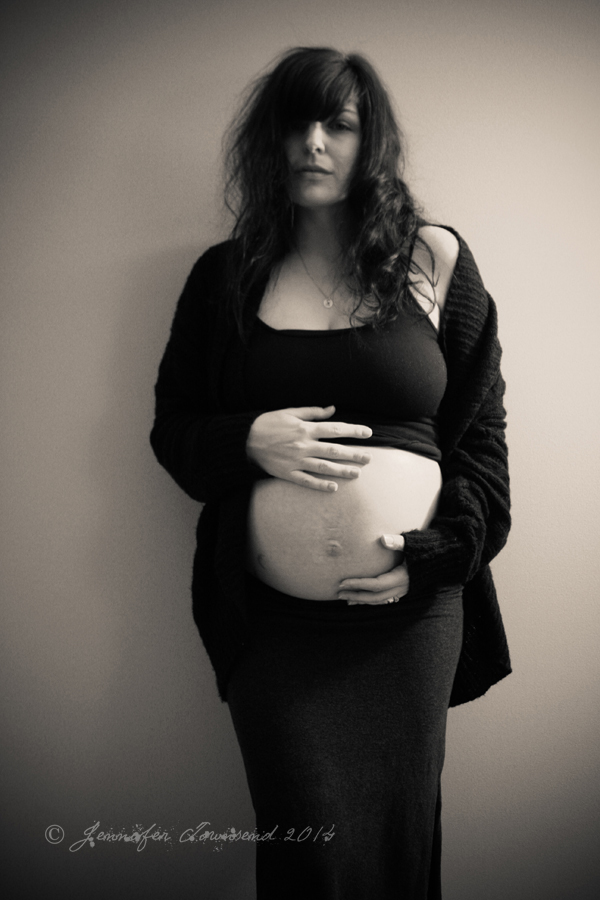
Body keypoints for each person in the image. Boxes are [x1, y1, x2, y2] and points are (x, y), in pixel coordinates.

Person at [150, 46, 511, 900]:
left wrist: (431, 559)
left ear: (367, 140)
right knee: (304, 852)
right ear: (267, 141)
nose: (312, 143)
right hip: (275, 628)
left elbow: (485, 453)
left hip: (408, 620)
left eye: (338, 124)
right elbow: (173, 432)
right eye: (295, 123)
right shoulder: (224, 278)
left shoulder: (435, 261)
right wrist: (247, 439)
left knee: (396, 849)